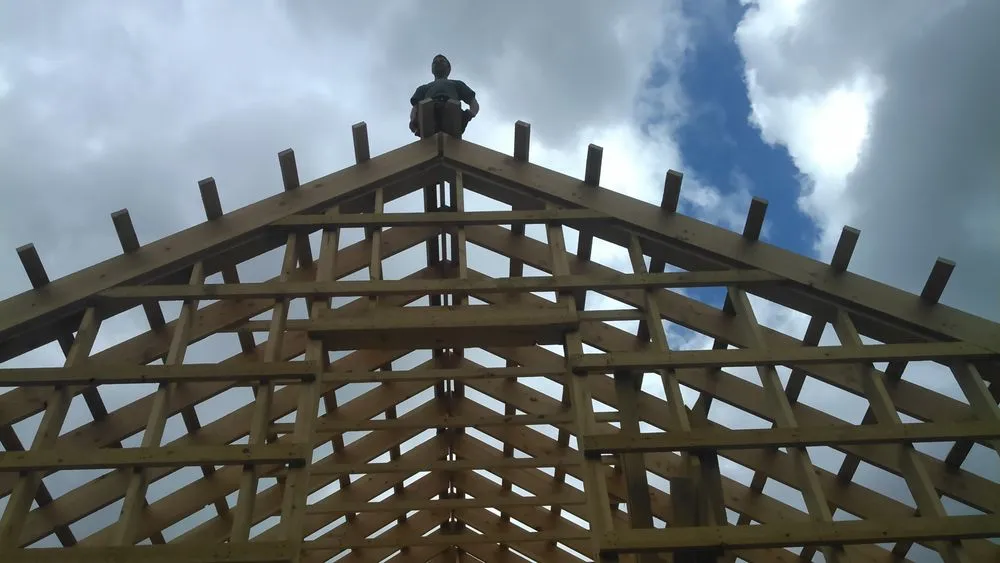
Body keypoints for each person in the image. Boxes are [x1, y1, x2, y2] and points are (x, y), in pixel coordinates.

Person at [409, 54, 479, 137]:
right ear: (432, 69)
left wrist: (470, 113)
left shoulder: (457, 84)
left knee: (452, 105)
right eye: (435, 62)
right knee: (425, 105)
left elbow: (472, 101)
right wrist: (413, 120)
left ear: (449, 68)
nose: (438, 62)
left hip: (451, 110)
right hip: (429, 111)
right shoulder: (423, 88)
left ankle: (451, 126)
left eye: (442, 61)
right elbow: (415, 107)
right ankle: (426, 127)